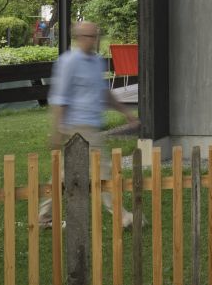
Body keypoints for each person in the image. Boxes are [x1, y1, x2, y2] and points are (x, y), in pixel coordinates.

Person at [38, 21, 140, 228]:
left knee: (64, 175)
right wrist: (56, 131)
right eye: (89, 36)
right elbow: (59, 98)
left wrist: (125, 111)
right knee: (103, 170)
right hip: (77, 125)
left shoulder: (96, 62)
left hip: (91, 125)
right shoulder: (68, 62)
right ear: (78, 38)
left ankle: (43, 217)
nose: (93, 40)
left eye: (95, 36)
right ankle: (123, 217)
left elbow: (104, 92)